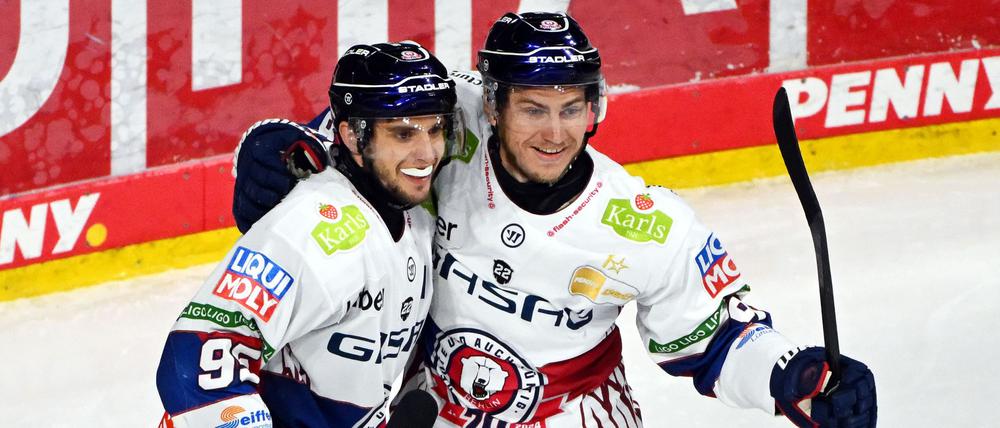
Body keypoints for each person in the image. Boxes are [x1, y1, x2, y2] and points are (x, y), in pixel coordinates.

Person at [231, 12, 877, 428]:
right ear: (492, 107)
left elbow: (719, 339)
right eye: (533, 110)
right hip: (426, 398)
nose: (555, 132)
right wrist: (276, 156)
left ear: (595, 108)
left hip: (571, 410)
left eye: (572, 109)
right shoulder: (446, 125)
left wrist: (795, 375)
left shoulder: (643, 223)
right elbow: (342, 140)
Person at [156, 41, 465, 427]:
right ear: (353, 137)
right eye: (403, 135)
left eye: (435, 130)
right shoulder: (312, 230)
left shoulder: (412, 210)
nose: (427, 154)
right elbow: (197, 354)